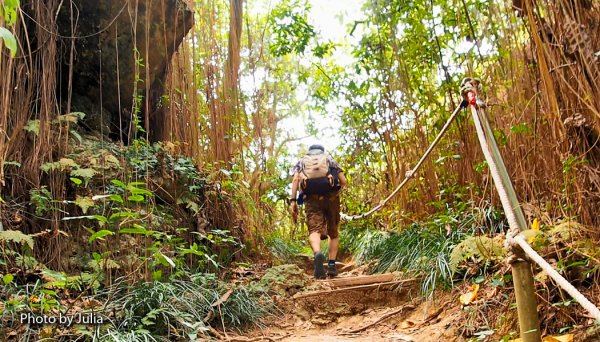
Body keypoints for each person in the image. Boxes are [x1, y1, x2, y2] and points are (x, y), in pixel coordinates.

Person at [289, 144, 347, 279]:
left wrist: (293, 201)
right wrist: (337, 192)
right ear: (322, 151)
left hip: (311, 199)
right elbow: (343, 180)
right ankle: (332, 265)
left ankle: (317, 254)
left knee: (314, 231)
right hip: (331, 198)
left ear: (310, 151)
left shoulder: (302, 161)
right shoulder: (329, 158)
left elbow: (296, 179)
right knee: (333, 233)